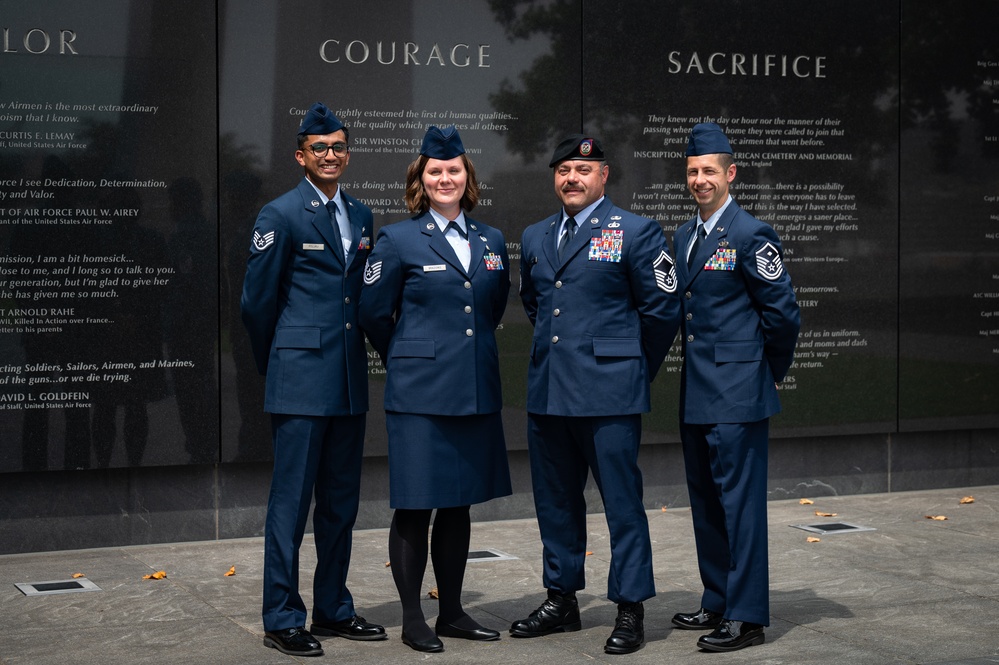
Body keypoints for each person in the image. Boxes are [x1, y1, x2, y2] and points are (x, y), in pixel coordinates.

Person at [513, 135, 680, 655]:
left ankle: (630, 607)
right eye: (563, 169)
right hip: (549, 395)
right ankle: (561, 599)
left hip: (610, 396)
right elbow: (536, 303)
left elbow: (661, 311)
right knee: (555, 503)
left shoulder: (637, 231)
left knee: (621, 505)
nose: (571, 178)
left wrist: (630, 369)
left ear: (604, 175)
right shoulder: (536, 235)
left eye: (583, 168)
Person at [359, 125, 512, 653]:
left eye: (454, 170)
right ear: (420, 182)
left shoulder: (490, 240)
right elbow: (374, 313)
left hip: (472, 390)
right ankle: (411, 618)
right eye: (434, 171)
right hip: (420, 395)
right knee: (416, 506)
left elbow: (492, 308)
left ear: (467, 177)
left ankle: (451, 611)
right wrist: (407, 354)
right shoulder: (398, 240)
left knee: (459, 505)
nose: (445, 178)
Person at [241, 101, 385, 657]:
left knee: (341, 503)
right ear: (301, 155)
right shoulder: (280, 215)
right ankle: (282, 615)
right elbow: (257, 305)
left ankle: (332, 607)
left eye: (338, 146)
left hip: (349, 380)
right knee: (291, 503)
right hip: (299, 380)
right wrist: (276, 363)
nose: (330, 155)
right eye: (319, 147)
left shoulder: (364, 215)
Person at [669, 122, 800, 652]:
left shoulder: (751, 234)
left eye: (710, 172)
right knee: (706, 500)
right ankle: (717, 597)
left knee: (740, 506)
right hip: (698, 391)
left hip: (739, 392)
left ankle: (747, 617)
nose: (701, 180)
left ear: (731, 174)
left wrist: (764, 373)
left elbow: (783, 314)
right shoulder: (683, 235)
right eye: (693, 172)